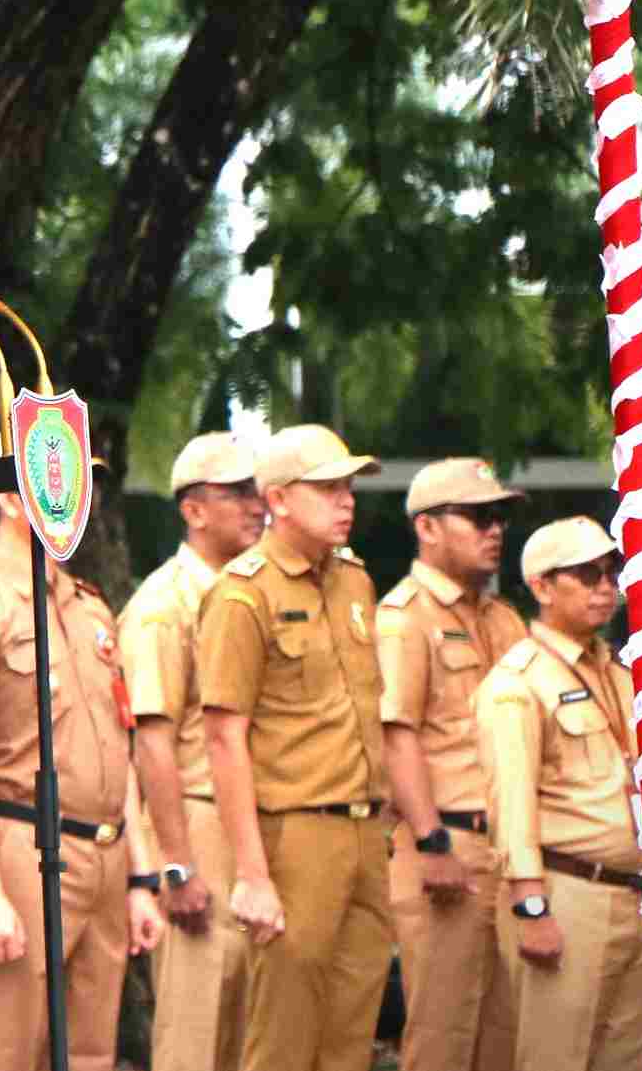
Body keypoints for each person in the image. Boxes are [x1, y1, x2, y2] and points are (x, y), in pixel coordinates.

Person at [0, 460, 166, 1071]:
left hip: (105, 854)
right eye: (60, 480)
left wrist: (141, 878)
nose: (75, 497)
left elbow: (122, 749)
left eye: (81, 483)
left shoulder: (89, 607)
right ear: (11, 497)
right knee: (4, 1052)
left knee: (92, 1053)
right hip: (23, 849)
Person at [195, 423, 394, 1071]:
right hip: (294, 838)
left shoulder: (355, 580)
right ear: (278, 499)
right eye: (329, 486)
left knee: (350, 1039)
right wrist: (252, 873)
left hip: (367, 835)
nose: (347, 500)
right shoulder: (242, 593)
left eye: (350, 486)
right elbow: (224, 738)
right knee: (281, 1040)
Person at [470, 516, 642, 1071]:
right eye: (586, 574)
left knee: (626, 1056)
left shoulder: (616, 672)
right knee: (556, 1058)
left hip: (632, 895)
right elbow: (511, 807)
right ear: (543, 588)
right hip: (568, 895)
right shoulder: (517, 683)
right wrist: (531, 906)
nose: (604, 586)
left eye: (611, 571)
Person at [120, 432, 266, 1071]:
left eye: (255, 490)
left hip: (256, 821)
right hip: (199, 823)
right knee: (196, 1032)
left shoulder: (253, 593)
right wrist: (174, 866)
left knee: (253, 1029)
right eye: (235, 492)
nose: (254, 505)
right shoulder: (163, 605)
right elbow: (151, 743)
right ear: (193, 510)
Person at [377, 459, 528, 1071]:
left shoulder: (502, 617)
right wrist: (430, 842)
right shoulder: (405, 616)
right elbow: (396, 735)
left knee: (507, 1040)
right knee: (442, 1038)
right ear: (428, 528)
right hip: (448, 847)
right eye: (478, 516)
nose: (495, 529)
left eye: (500, 517)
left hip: (508, 849)